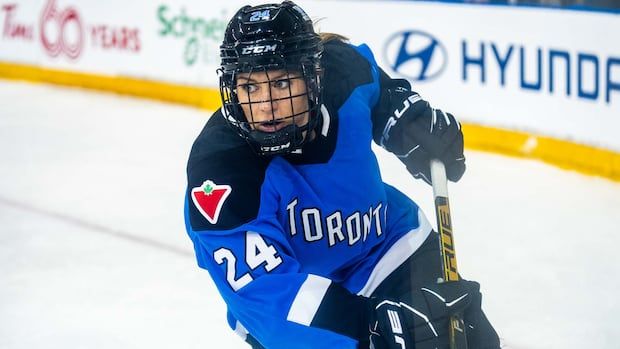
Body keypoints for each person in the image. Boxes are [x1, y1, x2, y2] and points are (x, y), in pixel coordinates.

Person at [184, 1, 500, 348]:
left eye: (281, 83)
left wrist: (406, 123)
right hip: (300, 297)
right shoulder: (220, 172)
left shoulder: (344, 71)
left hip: (389, 249)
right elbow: (273, 305)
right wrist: (374, 331)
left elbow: (378, 90)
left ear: (314, 76)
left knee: (472, 341)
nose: (265, 105)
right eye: (249, 87)